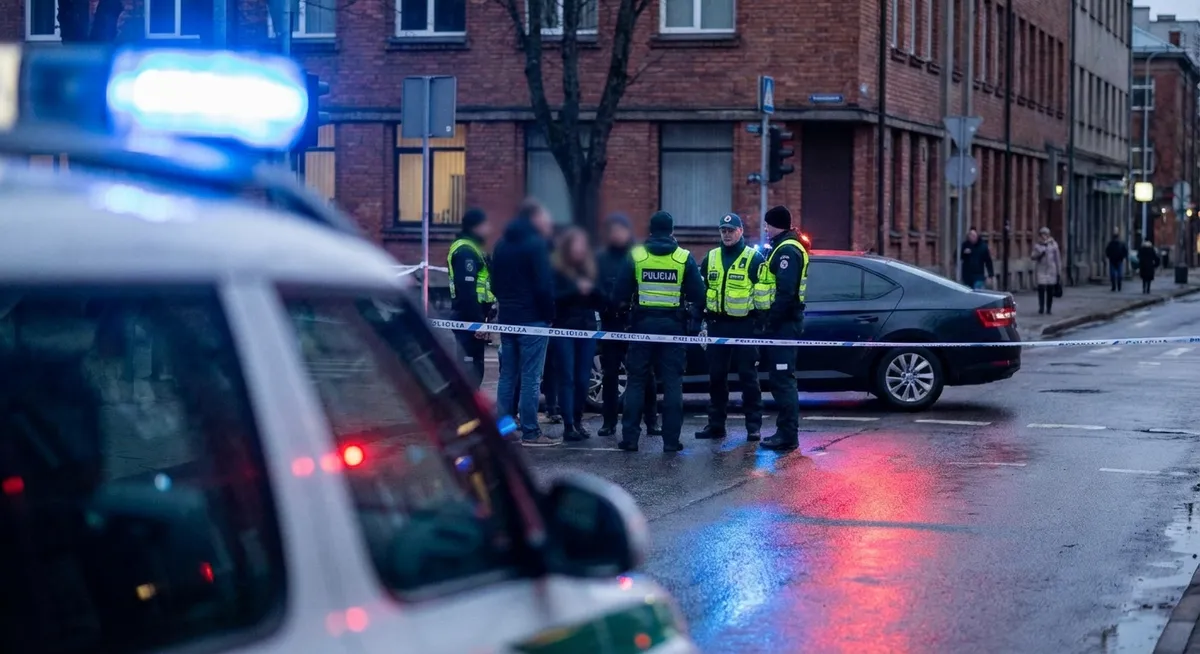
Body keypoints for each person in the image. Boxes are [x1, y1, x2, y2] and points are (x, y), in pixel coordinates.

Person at [612, 210, 704, 453]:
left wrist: (625, 314)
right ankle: (671, 441)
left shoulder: (637, 255)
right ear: (672, 230)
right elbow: (698, 295)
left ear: (651, 230)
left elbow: (619, 293)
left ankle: (630, 439)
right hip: (673, 328)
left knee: (636, 383)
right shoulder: (683, 257)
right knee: (673, 384)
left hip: (642, 327)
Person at [492, 199, 558, 447]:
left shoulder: (500, 245)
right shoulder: (536, 245)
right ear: (533, 218)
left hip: (507, 319)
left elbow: (494, 284)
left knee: (507, 376)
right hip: (532, 320)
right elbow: (543, 285)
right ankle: (531, 432)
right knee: (531, 377)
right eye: (543, 216)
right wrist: (549, 314)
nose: (547, 222)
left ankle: (504, 429)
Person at [695, 213, 766, 442]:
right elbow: (701, 290)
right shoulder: (711, 257)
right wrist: (698, 318)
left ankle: (753, 427)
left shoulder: (754, 258)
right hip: (717, 325)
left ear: (740, 231)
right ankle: (716, 425)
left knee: (748, 377)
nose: (726, 234)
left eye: (731, 230)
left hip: (745, 326)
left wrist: (759, 325)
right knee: (716, 377)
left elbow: (763, 295)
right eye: (723, 230)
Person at [595, 213, 660, 437]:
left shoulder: (640, 254)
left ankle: (652, 421)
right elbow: (595, 287)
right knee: (610, 375)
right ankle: (609, 422)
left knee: (645, 375)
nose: (617, 235)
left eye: (620, 231)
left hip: (636, 324)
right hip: (611, 324)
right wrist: (607, 304)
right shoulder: (601, 258)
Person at [756, 205, 809, 452]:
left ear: (776, 224)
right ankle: (785, 431)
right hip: (783, 324)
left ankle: (788, 434)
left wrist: (771, 321)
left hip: (784, 326)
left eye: (767, 224)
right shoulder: (783, 246)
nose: (765, 229)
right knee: (780, 379)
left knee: (783, 380)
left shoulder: (787, 250)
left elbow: (786, 293)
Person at [551, 227, 602, 441]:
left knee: (583, 379)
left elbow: (600, 297)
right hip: (564, 327)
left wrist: (592, 291)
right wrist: (575, 289)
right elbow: (552, 296)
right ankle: (568, 424)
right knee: (567, 377)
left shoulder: (591, 269)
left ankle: (579, 420)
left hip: (587, 327)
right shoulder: (558, 269)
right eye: (576, 245)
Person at [446, 208, 494, 389]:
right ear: (476, 227)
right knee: (469, 374)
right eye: (485, 225)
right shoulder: (466, 251)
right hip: (468, 319)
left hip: (474, 318)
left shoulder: (474, 248)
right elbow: (467, 291)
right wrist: (478, 323)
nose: (489, 229)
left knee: (473, 370)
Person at [1031, 226, 1062, 315]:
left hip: (1051, 270)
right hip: (1041, 270)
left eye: (1046, 234)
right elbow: (1032, 256)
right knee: (1041, 289)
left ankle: (1049, 308)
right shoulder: (1037, 245)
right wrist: (1040, 253)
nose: (1044, 236)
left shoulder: (1053, 245)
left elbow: (1057, 259)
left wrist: (1059, 271)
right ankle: (1041, 307)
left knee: (1050, 290)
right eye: (1042, 234)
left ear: (1048, 235)